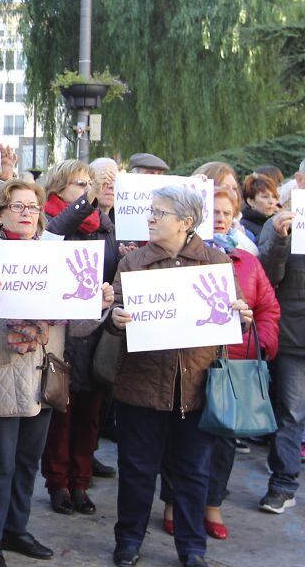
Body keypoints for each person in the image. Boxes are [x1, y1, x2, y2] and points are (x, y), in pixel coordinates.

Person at [0, 179, 112, 567]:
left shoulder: (57, 259)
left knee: (28, 462)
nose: (27, 213)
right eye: (18, 206)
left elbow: (78, 326)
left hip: (43, 378)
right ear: (0, 214)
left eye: (33, 207)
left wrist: (98, 304)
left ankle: (16, 529)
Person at [108, 185, 252, 567]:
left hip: (196, 387)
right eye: (151, 211)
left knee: (192, 472)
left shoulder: (215, 261)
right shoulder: (133, 262)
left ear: (185, 222)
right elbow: (112, 315)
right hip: (141, 386)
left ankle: (192, 548)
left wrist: (241, 315)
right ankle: (128, 541)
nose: (150, 218)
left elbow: (234, 313)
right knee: (137, 470)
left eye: (159, 212)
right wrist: (115, 318)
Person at [159, 186, 280, 539]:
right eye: (215, 212)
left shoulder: (248, 261)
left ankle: (212, 504)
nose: (221, 218)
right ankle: (172, 502)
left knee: (224, 440)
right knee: (179, 438)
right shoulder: (181, 258)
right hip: (187, 363)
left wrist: (260, 343)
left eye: (227, 213)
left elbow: (267, 308)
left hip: (231, 366)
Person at [38, 160, 119, 517]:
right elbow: (55, 234)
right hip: (62, 333)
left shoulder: (105, 226)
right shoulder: (51, 222)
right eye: (80, 184)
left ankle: (81, 482)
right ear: (59, 189)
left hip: (96, 332)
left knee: (89, 415)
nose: (88, 189)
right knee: (61, 414)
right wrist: (89, 200)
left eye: (90, 183)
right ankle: (57, 483)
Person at [256, 191, 305, 516]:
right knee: (290, 414)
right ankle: (283, 485)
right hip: (295, 338)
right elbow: (267, 276)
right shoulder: (282, 225)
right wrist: (278, 238)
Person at [193, 162, 257, 256]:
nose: (233, 194)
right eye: (225, 188)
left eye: (234, 188)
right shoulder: (184, 240)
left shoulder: (246, 235)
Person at [240, 173, 280, 243]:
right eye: (265, 197)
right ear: (250, 201)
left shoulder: (277, 222)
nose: (271, 201)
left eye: (274, 197)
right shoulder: (243, 227)